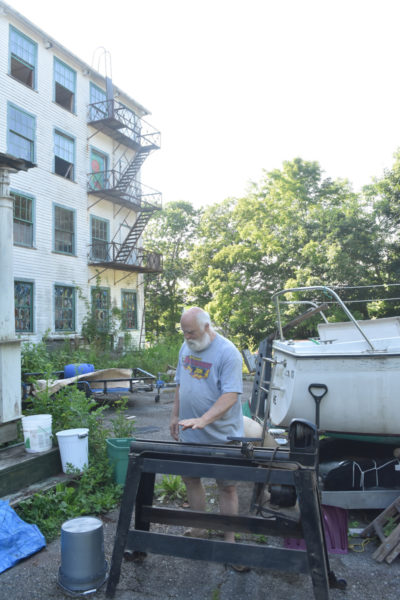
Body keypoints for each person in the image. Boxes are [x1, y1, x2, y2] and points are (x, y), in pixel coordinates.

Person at [170, 306, 244, 545]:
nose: (187, 337)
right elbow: (181, 385)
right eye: (184, 332)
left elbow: (231, 394)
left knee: (227, 487)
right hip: (190, 431)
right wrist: (174, 416)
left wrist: (203, 420)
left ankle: (229, 539)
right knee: (191, 480)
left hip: (223, 435)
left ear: (206, 327)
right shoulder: (186, 347)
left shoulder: (227, 353)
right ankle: (199, 529)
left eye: (190, 332)